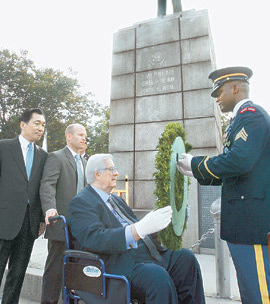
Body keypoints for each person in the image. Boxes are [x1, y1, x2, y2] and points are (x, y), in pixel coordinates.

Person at [177, 66, 270, 304]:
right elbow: (235, 170)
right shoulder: (239, 119)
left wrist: (197, 163)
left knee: (259, 291)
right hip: (244, 222)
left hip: (252, 223)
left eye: (219, 92)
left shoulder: (251, 115)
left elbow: (240, 161)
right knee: (250, 289)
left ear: (235, 88)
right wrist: (195, 171)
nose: (217, 98)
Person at [68, 153, 205, 304]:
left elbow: (143, 232)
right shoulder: (81, 202)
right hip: (118, 262)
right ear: (97, 174)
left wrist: (168, 221)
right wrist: (138, 229)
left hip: (145, 255)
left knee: (185, 258)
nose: (116, 173)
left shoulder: (116, 200)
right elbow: (95, 238)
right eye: (111, 169)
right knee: (157, 277)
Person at [0, 108, 47, 304]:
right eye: (37, 123)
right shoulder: (3, 147)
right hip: (4, 221)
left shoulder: (43, 156)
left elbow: (43, 189)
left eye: (43, 125)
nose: (40, 128)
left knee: (17, 275)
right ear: (23, 124)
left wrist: (42, 219)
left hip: (29, 225)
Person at [40, 123, 87, 304]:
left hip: (81, 228)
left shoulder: (85, 162)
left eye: (85, 135)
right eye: (80, 134)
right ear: (69, 136)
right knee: (55, 272)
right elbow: (47, 185)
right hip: (60, 224)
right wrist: (50, 208)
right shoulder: (57, 157)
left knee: (77, 272)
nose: (84, 138)